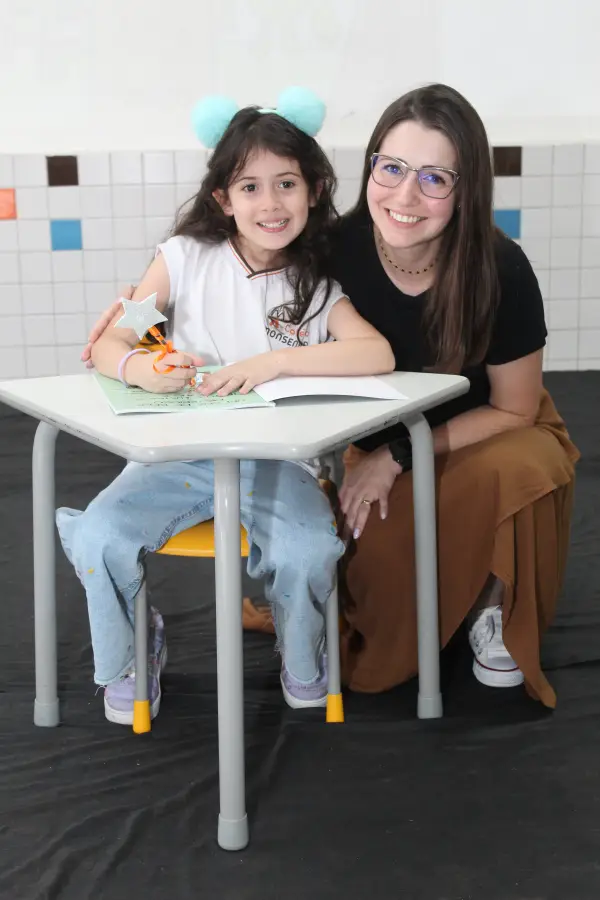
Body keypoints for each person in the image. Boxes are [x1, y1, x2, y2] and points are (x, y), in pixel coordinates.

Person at [82, 84, 580, 709]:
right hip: (359, 435)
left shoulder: (489, 268)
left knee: (510, 472)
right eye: (392, 168)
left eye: (434, 178)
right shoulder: (320, 251)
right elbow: (177, 293)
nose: (405, 196)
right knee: (373, 595)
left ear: (467, 187)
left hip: (479, 429)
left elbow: (504, 403)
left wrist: (283, 372)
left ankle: (493, 604)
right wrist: (130, 339)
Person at [60, 94, 395, 726]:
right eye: (250, 187)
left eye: (287, 184)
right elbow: (111, 342)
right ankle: (133, 651)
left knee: (308, 550)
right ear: (223, 199)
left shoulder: (317, 285)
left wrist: (274, 362)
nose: (271, 204)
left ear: (315, 190)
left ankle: (302, 647)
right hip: (175, 458)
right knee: (101, 536)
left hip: (277, 463)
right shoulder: (182, 259)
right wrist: (141, 368)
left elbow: (375, 352)